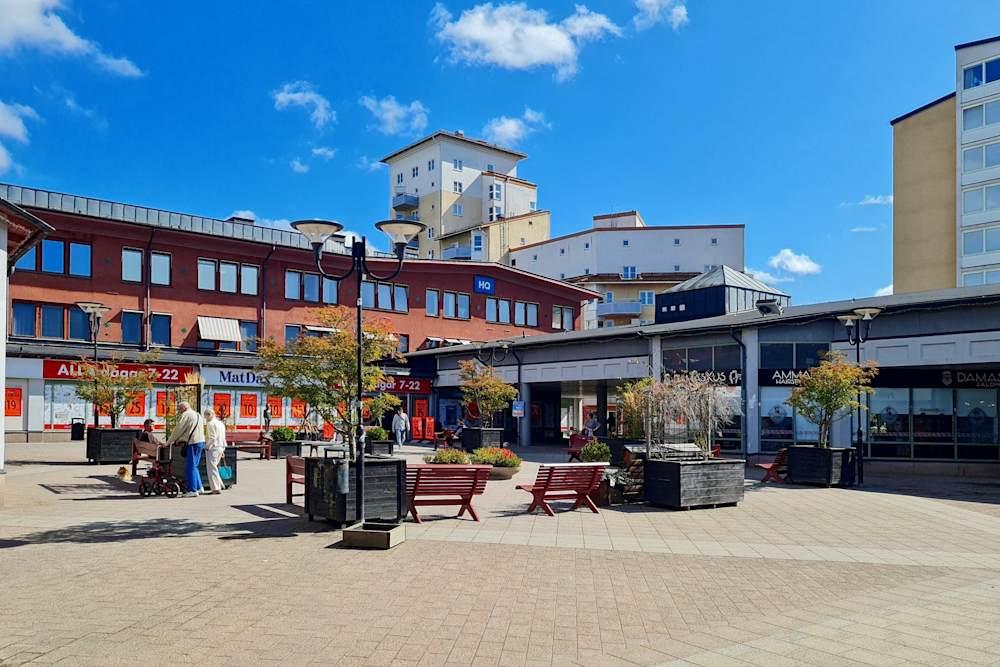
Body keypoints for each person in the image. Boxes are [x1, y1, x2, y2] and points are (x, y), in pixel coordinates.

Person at [167, 401, 205, 498]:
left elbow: (178, 429)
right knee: (194, 466)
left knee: (189, 467)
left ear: (183, 408)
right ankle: (199, 487)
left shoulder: (186, 415)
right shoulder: (197, 415)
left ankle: (192, 490)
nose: (179, 411)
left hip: (192, 443)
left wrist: (169, 441)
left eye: (179, 409)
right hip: (200, 441)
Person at [202, 408, 227, 495]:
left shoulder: (210, 424)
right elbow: (223, 436)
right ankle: (220, 484)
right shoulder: (220, 423)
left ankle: (215, 488)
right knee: (215, 467)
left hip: (213, 447)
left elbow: (212, 437)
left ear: (209, 415)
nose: (205, 419)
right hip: (221, 446)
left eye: (205, 416)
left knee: (211, 468)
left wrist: (207, 446)